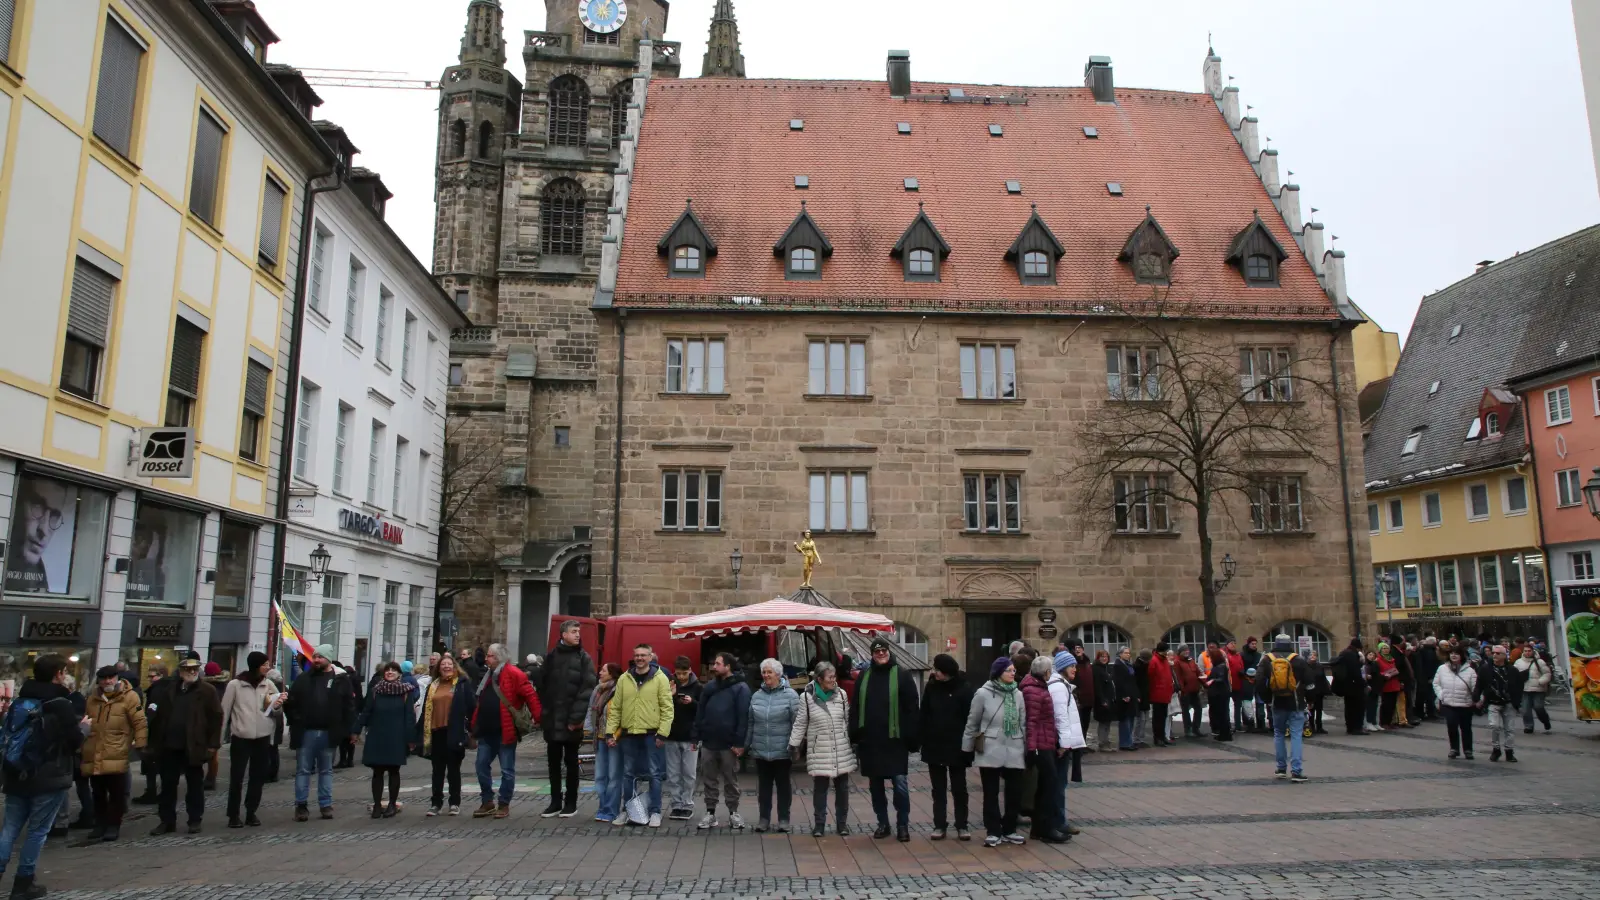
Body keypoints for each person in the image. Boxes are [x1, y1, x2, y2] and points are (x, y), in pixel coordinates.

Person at [0, 654, 84, 898]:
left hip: (16, 772)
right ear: (58, 673)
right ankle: (24, 882)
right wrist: (85, 728)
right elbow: (74, 740)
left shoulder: (20, 701)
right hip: (49, 774)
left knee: (10, 828)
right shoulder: (60, 702)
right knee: (38, 831)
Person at [849, 638, 920, 843]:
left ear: (889, 652)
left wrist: (912, 737)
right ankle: (883, 823)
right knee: (876, 786)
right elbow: (855, 707)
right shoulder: (864, 676)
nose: (880, 654)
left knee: (900, 784)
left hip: (895, 741)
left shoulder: (902, 675)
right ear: (872, 654)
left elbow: (912, 709)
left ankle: (902, 824)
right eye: (876, 651)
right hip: (871, 741)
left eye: (883, 650)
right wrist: (855, 733)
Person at [143, 657, 220, 835]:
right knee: (168, 785)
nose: (192, 673)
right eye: (188, 670)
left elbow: (216, 718)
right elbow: (158, 716)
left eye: (195, 669)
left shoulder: (207, 691)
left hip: (193, 745)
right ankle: (167, 821)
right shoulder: (170, 690)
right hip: (170, 745)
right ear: (181, 671)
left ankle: (194, 819)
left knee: (194, 785)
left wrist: (212, 745)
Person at [283, 644, 356, 822]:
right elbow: (292, 703)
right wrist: (294, 717)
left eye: (320, 657)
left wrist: (351, 730)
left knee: (326, 770)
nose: (316, 660)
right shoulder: (303, 679)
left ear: (328, 659)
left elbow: (349, 706)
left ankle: (325, 804)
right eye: (314, 656)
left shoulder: (340, 680)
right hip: (306, 732)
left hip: (329, 733)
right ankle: (301, 806)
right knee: (303, 770)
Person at [606, 643, 673, 828]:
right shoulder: (624, 679)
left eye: (644, 655)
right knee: (628, 775)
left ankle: (655, 812)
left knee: (654, 774)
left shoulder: (661, 679)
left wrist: (663, 733)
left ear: (650, 657)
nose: (640, 658)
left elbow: (668, 708)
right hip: (629, 735)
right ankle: (629, 811)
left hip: (652, 734)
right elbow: (616, 709)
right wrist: (610, 732)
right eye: (637, 655)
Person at [535, 620, 597, 819]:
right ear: (563, 635)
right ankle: (555, 802)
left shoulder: (583, 658)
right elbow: (542, 686)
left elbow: (587, 689)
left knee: (571, 762)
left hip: (571, 721)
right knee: (553, 763)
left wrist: (576, 718)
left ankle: (571, 803)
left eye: (579, 631)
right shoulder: (551, 656)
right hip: (552, 719)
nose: (578, 635)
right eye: (574, 631)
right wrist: (544, 713)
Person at [471, 643, 540, 819]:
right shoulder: (488, 675)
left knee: (507, 770)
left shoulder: (514, 673)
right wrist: (474, 724)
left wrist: (538, 717)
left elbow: (530, 694)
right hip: (486, 729)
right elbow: (482, 701)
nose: (486, 659)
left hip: (505, 730)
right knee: (480, 766)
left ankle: (503, 804)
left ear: (499, 657)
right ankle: (487, 801)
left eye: (490, 656)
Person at [964, 658, 1027, 848]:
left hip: (1014, 745)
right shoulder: (983, 693)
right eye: (1008, 670)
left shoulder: (1018, 694)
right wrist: (967, 748)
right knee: (990, 792)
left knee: (1014, 792)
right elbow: (972, 722)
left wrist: (1026, 746)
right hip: (991, 746)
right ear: (998, 672)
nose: (1012, 673)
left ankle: (1009, 829)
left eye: (1013, 670)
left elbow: (1023, 722)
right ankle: (993, 830)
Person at [80, 665, 146, 843]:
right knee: (98, 792)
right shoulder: (92, 698)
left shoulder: (129, 697)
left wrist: (141, 744)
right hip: (94, 750)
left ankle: (112, 825)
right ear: (99, 680)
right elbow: (86, 721)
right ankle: (99, 824)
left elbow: (139, 722)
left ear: (117, 678)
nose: (108, 681)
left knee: (116, 793)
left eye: (111, 678)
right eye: (104, 678)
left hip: (117, 749)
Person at [788, 661, 854, 836]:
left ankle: (842, 823)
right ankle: (819, 824)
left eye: (834, 677)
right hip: (820, 749)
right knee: (820, 789)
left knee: (843, 789)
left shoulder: (841, 695)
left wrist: (851, 740)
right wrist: (794, 744)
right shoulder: (807, 698)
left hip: (841, 748)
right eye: (830, 678)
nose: (834, 680)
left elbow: (847, 721)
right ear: (819, 679)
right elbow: (801, 722)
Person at [219, 652, 281, 829]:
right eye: (265, 664)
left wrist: (277, 706)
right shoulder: (236, 685)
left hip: (262, 737)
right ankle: (233, 814)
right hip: (241, 737)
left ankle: (251, 811)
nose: (268, 667)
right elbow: (225, 712)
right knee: (237, 777)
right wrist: (218, 738)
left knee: (257, 777)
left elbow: (277, 708)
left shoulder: (268, 684)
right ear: (256, 665)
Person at [693, 652, 751, 830]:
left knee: (730, 779)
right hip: (709, 742)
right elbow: (700, 712)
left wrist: (740, 743)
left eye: (718, 664)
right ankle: (710, 813)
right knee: (709, 779)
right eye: (714, 663)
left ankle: (733, 813)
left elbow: (743, 717)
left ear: (728, 667)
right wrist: (696, 735)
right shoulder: (709, 687)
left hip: (729, 744)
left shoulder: (741, 688)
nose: (714, 667)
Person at [919, 654, 973, 841]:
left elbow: (970, 718)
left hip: (957, 746)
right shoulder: (932, 687)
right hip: (935, 744)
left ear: (947, 672)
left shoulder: (964, 688)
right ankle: (939, 824)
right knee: (938, 788)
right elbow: (924, 712)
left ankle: (962, 824)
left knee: (959, 787)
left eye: (938, 670)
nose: (935, 673)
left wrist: (969, 744)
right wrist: (923, 737)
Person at [354, 662, 416, 818]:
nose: (390, 672)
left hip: (396, 736)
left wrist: (411, 738)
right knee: (378, 771)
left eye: (393, 670)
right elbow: (366, 712)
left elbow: (409, 716)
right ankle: (376, 805)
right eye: (387, 670)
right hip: (377, 734)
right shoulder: (376, 691)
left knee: (394, 770)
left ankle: (391, 805)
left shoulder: (406, 692)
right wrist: (356, 730)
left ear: (399, 674)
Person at [418, 654, 475, 817]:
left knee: (453, 770)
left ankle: (454, 803)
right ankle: (436, 803)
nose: (446, 667)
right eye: (443, 664)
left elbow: (471, 706)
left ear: (455, 666)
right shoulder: (433, 685)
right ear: (439, 667)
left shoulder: (462, 684)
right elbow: (425, 710)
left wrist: (472, 729)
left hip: (454, 732)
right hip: (436, 732)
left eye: (449, 664)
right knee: (437, 770)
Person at [745, 658, 798, 833]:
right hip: (761, 748)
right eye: (764, 672)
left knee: (783, 786)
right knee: (764, 787)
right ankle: (764, 819)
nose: (766, 675)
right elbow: (751, 722)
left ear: (778, 674)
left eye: (769, 672)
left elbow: (796, 723)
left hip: (783, 749)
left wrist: (795, 746)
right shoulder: (756, 696)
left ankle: (784, 818)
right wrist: (747, 745)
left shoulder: (790, 696)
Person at [1020, 657, 1068, 844]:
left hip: (1045, 742)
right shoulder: (1034, 690)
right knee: (1049, 786)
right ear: (1046, 672)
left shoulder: (1037, 687)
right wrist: (1032, 749)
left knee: (1045, 787)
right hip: (1040, 745)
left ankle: (1040, 827)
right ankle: (1045, 828)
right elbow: (1031, 722)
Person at [1255, 635, 1313, 782]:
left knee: (1279, 734)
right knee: (1296, 735)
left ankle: (1281, 768)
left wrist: (1268, 699)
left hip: (1277, 703)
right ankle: (1296, 771)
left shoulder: (1267, 659)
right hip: (1296, 703)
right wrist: (1309, 699)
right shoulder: (1298, 659)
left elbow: (1259, 682)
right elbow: (1310, 683)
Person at [661, 656, 701, 821]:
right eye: (678, 673)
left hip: (690, 736)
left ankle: (687, 804)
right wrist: (671, 696)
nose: (682, 676)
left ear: (690, 670)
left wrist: (691, 702)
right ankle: (676, 804)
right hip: (672, 735)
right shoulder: (669, 685)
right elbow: (662, 706)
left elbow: (702, 710)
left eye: (684, 673)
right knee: (673, 774)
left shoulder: (698, 687)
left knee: (689, 773)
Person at [586, 663, 624, 823]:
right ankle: (602, 807)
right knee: (600, 776)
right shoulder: (598, 690)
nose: (600, 673)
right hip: (600, 737)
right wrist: (588, 730)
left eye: (603, 670)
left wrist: (615, 734)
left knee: (614, 775)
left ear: (612, 674)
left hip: (615, 738)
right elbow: (590, 710)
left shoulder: (619, 689)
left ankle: (611, 810)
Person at [1479, 644, 1524, 763]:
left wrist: (1517, 701)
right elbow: (1480, 683)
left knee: (1509, 729)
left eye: (1498, 653)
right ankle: (1496, 749)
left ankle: (1509, 751)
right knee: (1494, 726)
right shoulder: (1486, 668)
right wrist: (1477, 698)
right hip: (1493, 702)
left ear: (1504, 656)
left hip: (1508, 703)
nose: (1494, 655)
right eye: (1493, 653)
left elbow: (1519, 686)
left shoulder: (1512, 670)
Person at [1433, 647, 1479, 760]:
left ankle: (1468, 749)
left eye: (1457, 654)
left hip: (1465, 704)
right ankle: (1454, 748)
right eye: (1452, 654)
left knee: (1466, 728)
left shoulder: (1470, 670)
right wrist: (1441, 695)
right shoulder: (1442, 668)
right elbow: (1436, 683)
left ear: (1462, 656)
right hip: (1449, 703)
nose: (1454, 656)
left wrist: (1477, 699)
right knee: (1452, 725)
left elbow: (1475, 687)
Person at [132, 665, 167, 805]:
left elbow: (152, 712)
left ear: (161, 675)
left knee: (150, 764)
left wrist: (145, 729)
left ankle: (151, 792)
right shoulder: (165, 688)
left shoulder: (157, 690)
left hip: (155, 733)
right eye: (149, 676)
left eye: (153, 676)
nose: (151, 679)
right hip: (161, 733)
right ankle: (158, 792)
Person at [1332, 638, 1367, 735]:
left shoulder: (1344, 653)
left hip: (1345, 685)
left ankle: (1350, 727)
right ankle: (1357, 727)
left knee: (1349, 707)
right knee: (1358, 707)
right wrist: (1364, 684)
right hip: (1354, 685)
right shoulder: (1352, 654)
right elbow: (1355, 672)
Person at [1515, 644, 1552, 733]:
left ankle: (1545, 721)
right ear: (1523, 652)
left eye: (1529, 651)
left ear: (1532, 651)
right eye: (1525, 651)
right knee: (1525, 710)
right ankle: (1529, 726)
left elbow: (1547, 674)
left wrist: (1541, 681)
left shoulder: (1540, 662)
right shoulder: (1518, 662)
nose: (1527, 653)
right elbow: (1514, 675)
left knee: (1538, 707)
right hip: (1525, 689)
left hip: (1538, 689)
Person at [1146, 643, 1175, 747]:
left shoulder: (1164, 660)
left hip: (1165, 693)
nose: (1167, 653)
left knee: (1163, 716)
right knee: (1158, 717)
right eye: (1166, 651)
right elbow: (1151, 677)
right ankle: (1158, 738)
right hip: (1158, 693)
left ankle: (1162, 737)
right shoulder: (1154, 661)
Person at [1111, 648, 1138, 751]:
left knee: (1131, 719)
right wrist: (1124, 695)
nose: (1128, 655)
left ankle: (1129, 741)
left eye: (1129, 653)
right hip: (1124, 696)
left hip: (1131, 695)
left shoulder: (1128, 665)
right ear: (1120, 654)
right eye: (1125, 653)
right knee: (1125, 720)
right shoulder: (1118, 666)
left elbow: (1132, 681)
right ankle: (1125, 743)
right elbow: (1119, 682)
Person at [1070, 643, 1096, 752]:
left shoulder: (1087, 662)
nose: (1078, 650)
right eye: (1076, 648)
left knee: (1085, 723)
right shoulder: (1073, 664)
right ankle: (1077, 747)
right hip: (1079, 699)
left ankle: (1083, 744)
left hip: (1088, 698)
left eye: (1079, 648)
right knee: (1078, 724)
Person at [1172, 647, 1203, 738]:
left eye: (1187, 650)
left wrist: (1204, 683)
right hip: (1185, 690)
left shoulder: (1191, 661)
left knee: (1198, 708)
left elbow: (1198, 673)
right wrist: (1182, 689)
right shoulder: (1177, 662)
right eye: (1184, 651)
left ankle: (1196, 728)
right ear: (1180, 652)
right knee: (1186, 711)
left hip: (1194, 689)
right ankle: (1188, 729)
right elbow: (1178, 677)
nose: (1186, 652)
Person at [1204, 647, 1232, 741]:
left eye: (1211, 657)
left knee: (1222, 714)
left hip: (1220, 694)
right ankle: (1224, 734)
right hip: (1221, 693)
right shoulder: (1220, 666)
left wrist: (1211, 680)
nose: (1210, 659)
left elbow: (1220, 679)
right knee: (1223, 714)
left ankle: (1224, 735)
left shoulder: (1220, 666)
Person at [1091, 649, 1116, 750]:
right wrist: (1103, 700)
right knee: (1103, 722)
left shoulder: (1107, 668)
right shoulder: (1096, 669)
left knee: (1108, 721)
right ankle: (1102, 743)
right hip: (1102, 700)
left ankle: (1106, 740)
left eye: (1106, 656)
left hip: (1109, 698)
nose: (1104, 658)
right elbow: (1098, 686)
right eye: (1102, 656)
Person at [1301, 651, 1328, 736]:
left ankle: (1319, 726)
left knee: (1319, 710)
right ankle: (1311, 726)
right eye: (1311, 655)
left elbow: (1323, 678)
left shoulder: (1320, 666)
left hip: (1319, 691)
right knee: (1310, 710)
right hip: (1310, 691)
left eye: (1315, 655)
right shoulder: (1305, 667)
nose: (1313, 656)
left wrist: (1325, 689)